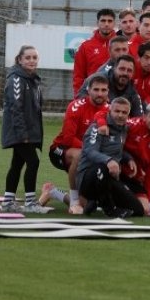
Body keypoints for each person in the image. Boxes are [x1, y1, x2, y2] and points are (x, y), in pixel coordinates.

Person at [41, 74, 110, 214]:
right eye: (96, 89)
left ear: (108, 92)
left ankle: (53, 192)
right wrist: (92, 152)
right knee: (79, 156)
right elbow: (68, 139)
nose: (100, 93)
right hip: (61, 150)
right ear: (88, 90)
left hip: (91, 153)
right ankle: (74, 200)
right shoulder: (75, 107)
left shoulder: (111, 110)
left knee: (86, 206)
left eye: (104, 90)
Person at [0, 46, 52, 214]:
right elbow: (16, 108)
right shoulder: (16, 78)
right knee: (33, 161)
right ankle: (30, 203)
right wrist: (23, 134)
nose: (31, 60)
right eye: (28, 57)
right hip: (20, 132)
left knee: (17, 163)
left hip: (29, 131)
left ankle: (8, 202)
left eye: (34, 57)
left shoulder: (33, 79)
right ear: (19, 60)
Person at [77, 97, 145, 219]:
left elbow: (118, 149)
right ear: (109, 111)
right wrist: (108, 160)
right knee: (102, 168)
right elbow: (89, 151)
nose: (120, 115)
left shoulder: (124, 128)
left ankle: (96, 201)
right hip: (88, 178)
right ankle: (109, 209)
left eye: (124, 113)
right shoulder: (97, 127)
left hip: (110, 177)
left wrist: (128, 158)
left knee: (138, 210)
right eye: (117, 111)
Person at [123, 102, 150, 210]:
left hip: (134, 178)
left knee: (145, 209)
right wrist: (128, 158)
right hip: (116, 169)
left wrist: (148, 197)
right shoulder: (130, 126)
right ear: (144, 116)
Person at [73, 8, 116, 91]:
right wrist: (79, 96)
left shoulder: (122, 45)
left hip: (116, 97)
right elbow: (78, 76)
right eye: (103, 21)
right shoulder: (86, 46)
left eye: (110, 21)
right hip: (93, 95)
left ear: (114, 23)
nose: (106, 24)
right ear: (97, 23)